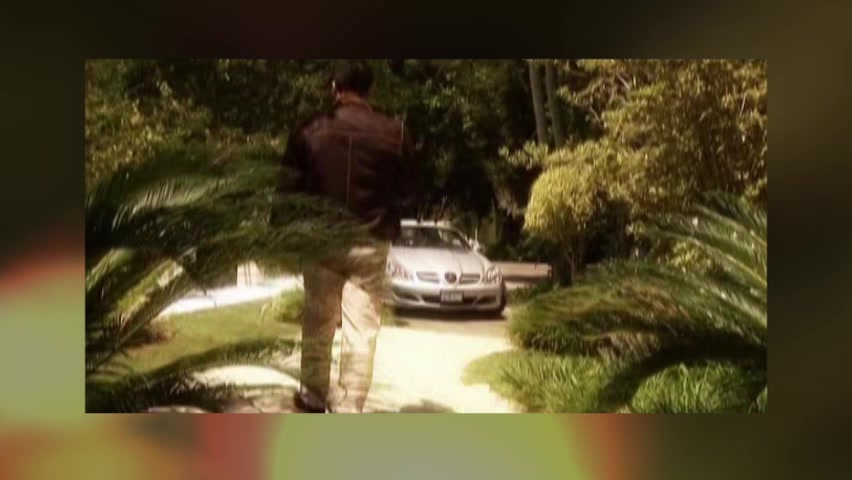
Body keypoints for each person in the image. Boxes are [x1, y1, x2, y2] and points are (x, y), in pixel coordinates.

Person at [277, 61, 416, 413]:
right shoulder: (395, 133)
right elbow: (407, 194)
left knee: (317, 321)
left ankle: (312, 395)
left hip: (322, 238)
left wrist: (282, 232)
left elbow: (289, 187)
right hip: (369, 240)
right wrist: (388, 221)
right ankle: (349, 405)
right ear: (369, 90)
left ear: (334, 88)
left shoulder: (310, 128)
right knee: (362, 329)